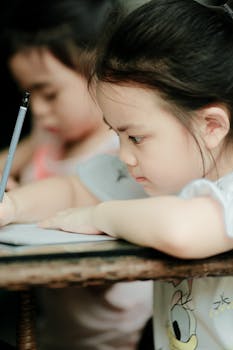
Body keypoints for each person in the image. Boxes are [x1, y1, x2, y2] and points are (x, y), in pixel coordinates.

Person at [2, 0, 233, 348]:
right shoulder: (165, 182)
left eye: (136, 137)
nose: (124, 154)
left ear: (211, 126)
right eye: (117, 135)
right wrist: (12, 206)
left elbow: (179, 230)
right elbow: (71, 191)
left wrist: (99, 215)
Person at [0, 1, 153, 349]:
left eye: (49, 93)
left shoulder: (124, 150)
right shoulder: (48, 141)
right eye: (29, 94)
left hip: (122, 339)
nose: (38, 109)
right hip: (55, 335)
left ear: (95, 72)